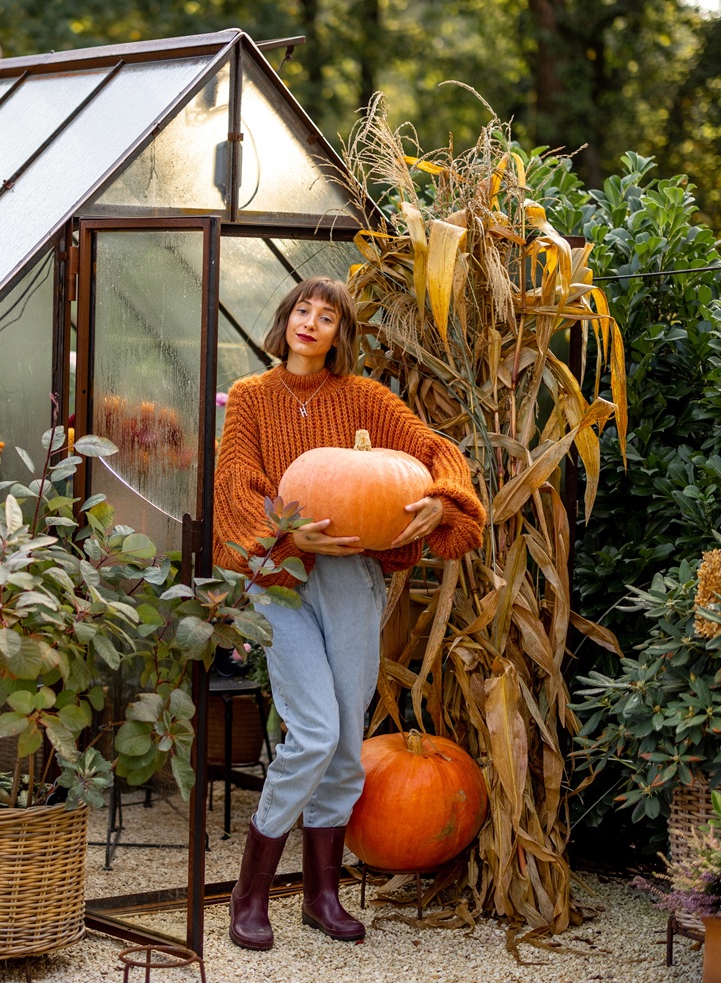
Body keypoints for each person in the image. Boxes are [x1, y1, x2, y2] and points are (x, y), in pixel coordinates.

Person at [213, 276, 485, 950]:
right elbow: (235, 483)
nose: (311, 321)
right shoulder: (250, 398)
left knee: (342, 742)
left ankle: (322, 896)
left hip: (352, 578)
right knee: (312, 730)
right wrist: (281, 534)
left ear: (341, 332)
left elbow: (438, 453)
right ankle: (249, 898)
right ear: (285, 320)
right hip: (276, 574)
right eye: (302, 309)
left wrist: (440, 500)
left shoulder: (365, 399)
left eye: (326, 315)